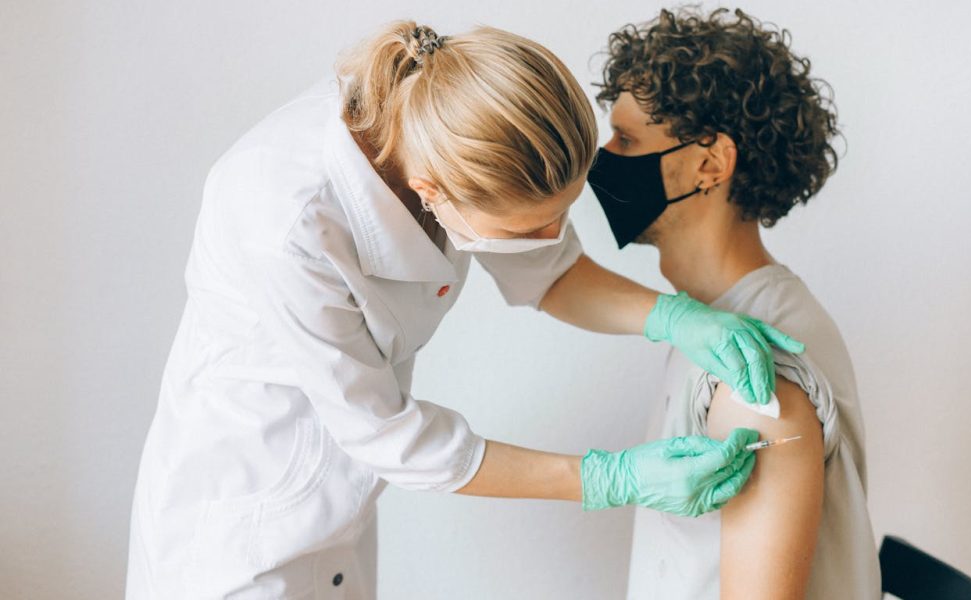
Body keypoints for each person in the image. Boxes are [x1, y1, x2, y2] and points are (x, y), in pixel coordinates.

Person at [125, 21, 802, 599]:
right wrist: (610, 478)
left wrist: (677, 317)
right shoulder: (286, 219)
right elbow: (389, 437)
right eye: (529, 228)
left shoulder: (453, 118)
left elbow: (552, 274)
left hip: (338, 519)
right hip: (241, 534)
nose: (552, 239)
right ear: (431, 192)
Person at [587, 8, 881, 599]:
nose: (604, 156)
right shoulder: (708, 322)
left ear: (710, 164)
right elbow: (550, 283)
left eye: (627, 139)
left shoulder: (755, 377)